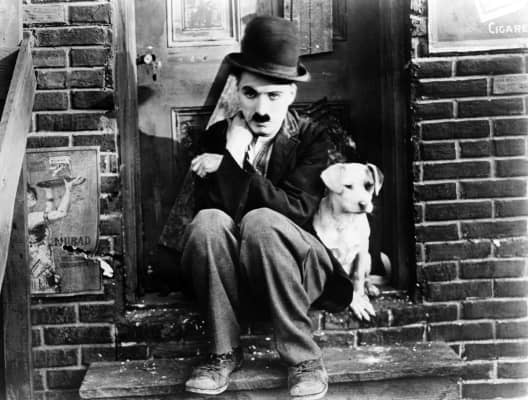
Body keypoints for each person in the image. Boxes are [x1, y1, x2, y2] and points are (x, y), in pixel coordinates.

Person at [179, 16, 362, 399]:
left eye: (273, 96)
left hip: (300, 270)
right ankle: (223, 352)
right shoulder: (218, 137)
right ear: (237, 92)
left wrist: (232, 168)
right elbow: (216, 215)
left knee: (262, 220)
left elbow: (295, 210)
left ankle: (304, 359)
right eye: (251, 94)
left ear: (291, 94)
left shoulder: (312, 137)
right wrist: (232, 151)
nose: (261, 110)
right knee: (208, 221)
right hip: (239, 280)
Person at [27, 176, 84, 293]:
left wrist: (49, 191)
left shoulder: (29, 218)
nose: (31, 195)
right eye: (27, 193)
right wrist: (68, 190)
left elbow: (48, 211)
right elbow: (61, 213)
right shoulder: (31, 219)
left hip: (41, 275)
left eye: (31, 193)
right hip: (40, 279)